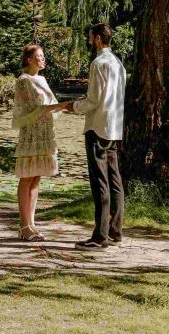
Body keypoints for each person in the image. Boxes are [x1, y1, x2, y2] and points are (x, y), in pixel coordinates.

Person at [66, 22, 126, 250]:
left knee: (100, 181)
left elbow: (93, 100)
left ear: (99, 38)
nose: (90, 41)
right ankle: (115, 231)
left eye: (91, 37)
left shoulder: (99, 63)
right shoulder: (118, 63)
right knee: (115, 179)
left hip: (98, 127)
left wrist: (73, 106)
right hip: (114, 127)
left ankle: (100, 236)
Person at [12, 43, 69, 240]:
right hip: (31, 134)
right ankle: (23, 226)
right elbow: (35, 107)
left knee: (36, 177)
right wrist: (58, 106)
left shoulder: (42, 79)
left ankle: (32, 223)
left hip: (45, 133)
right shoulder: (23, 80)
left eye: (43, 56)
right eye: (40, 56)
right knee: (27, 177)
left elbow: (51, 104)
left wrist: (70, 106)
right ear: (29, 59)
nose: (43, 59)